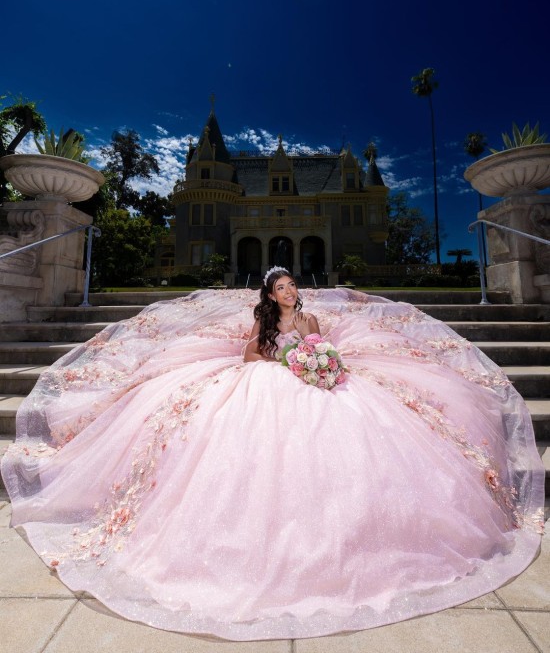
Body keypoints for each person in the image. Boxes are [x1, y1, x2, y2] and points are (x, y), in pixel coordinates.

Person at [1, 268, 545, 641]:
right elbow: (250, 356)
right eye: (280, 287)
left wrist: (318, 360)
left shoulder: (310, 321)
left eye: (291, 286)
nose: (288, 291)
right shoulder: (262, 322)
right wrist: (281, 359)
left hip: (315, 381)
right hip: (269, 382)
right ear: (269, 295)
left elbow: (322, 347)